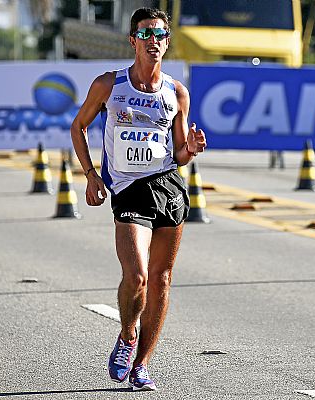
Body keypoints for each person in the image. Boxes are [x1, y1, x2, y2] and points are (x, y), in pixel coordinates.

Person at [70, 7, 206, 391]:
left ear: (167, 42)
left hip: (168, 188)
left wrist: (191, 150)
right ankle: (128, 334)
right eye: (145, 34)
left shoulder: (177, 92)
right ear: (133, 41)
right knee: (138, 276)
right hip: (129, 191)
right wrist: (91, 175)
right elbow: (78, 127)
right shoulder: (109, 85)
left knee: (161, 280)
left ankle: (143, 365)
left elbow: (178, 151)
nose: (153, 41)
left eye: (160, 35)